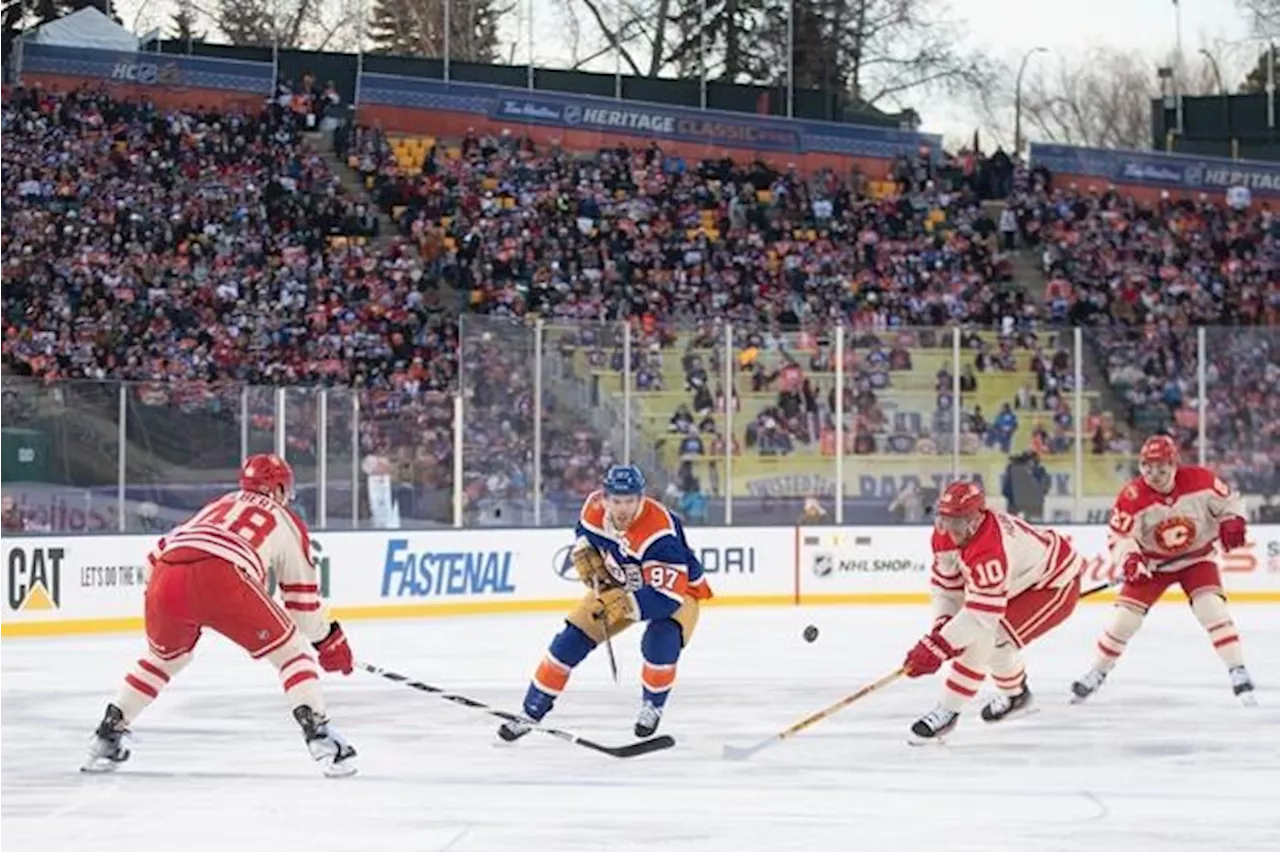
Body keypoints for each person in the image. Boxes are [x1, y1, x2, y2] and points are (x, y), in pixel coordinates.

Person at [82, 454, 358, 777]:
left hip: (164, 576)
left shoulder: (219, 504)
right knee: (292, 652)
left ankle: (107, 734)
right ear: (280, 488)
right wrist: (328, 639)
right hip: (224, 575)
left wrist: (188, 604)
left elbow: (153, 559)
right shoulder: (286, 520)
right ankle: (320, 736)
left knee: (164, 659)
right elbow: (303, 610)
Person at [498, 464, 712, 741]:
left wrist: (618, 606)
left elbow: (665, 599)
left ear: (641, 498)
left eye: (630, 501)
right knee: (569, 641)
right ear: (605, 497)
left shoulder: (660, 534)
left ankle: (652, 706)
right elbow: (583, 532)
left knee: (661, 641)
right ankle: (530, 712)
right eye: (616, 501)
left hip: (677, 591)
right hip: (621, 584)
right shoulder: (594, 509)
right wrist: (585, 548)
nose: (623, 509)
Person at [1071, 435, 1255, 704]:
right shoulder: (1132, 497)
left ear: (1174, 464)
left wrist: (1233, 519)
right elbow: (1121, 538)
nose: (1153, 474)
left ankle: (1237, 669)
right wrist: (1132, 560)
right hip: (1152, 565)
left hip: (1196, 559)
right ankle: (1097, 672)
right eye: (1147, 467)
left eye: (1161, 468)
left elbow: (1230, 503)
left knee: (1212, 609)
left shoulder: (1201, 481)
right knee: (1124, 620)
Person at [902, 479, 1082, 742]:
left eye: (957, 521)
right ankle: (1017, 696)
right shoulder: (946, 534)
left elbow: (981, 615)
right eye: (944, 518)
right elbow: (946, 587)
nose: (948, 528)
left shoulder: (990, 548)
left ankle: (949, 711)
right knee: (989, 642)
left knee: (991, 641)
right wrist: (942, 625)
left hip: (1053, 583)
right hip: (1017, 581)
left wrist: (939, 645)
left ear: (975, 520)